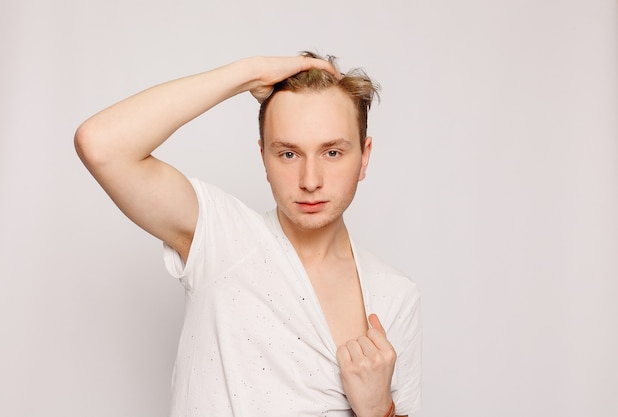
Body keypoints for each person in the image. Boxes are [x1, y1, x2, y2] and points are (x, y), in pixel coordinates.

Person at [75, 51, 421, 417]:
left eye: (332, 152)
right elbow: (100, 145)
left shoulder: (395, 295)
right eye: (288, 154)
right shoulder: (222, 238)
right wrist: (247, 75)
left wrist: (379, 409)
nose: (310, 181)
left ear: (364, 157)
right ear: (264, 158)